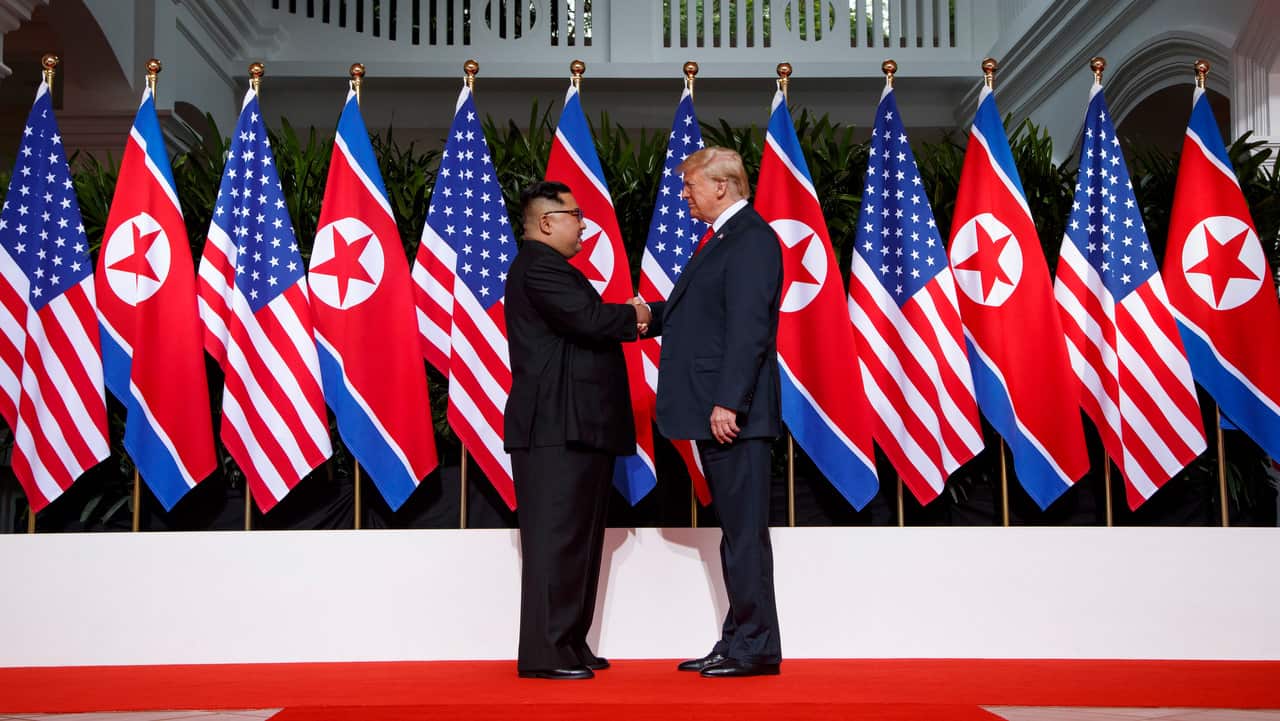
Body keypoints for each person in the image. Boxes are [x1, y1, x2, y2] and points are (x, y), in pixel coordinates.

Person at [639, 147, 784, 677]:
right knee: (734, 533)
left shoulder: (750, 239)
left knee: (744, 535)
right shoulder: (725, 238)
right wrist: (645, 316)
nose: (684, 194)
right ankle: (739, 638)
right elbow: (698, 316)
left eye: (689, 186)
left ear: (721, 186)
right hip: (716, 409)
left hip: (733, 416)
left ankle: (757, 648)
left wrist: (730, 400)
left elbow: (749, 330)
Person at [503, 180, 651, 680]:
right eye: (575, 215)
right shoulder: (538, 266)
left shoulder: (553, 268)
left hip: (576, 427)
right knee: (556, 541)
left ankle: (568, 643)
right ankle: (546, 653)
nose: (584, 224)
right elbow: (587, 320)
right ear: (546, 221)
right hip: (553, 428)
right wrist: (637, 315)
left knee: (579, 542)